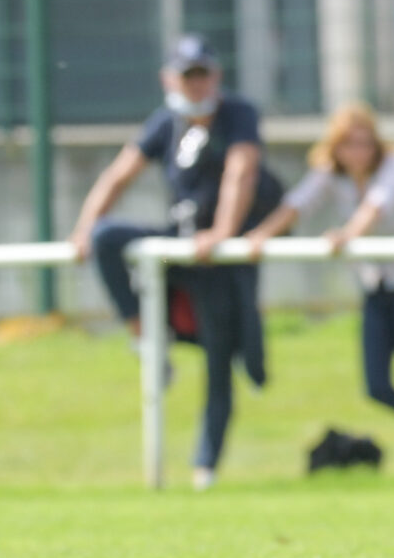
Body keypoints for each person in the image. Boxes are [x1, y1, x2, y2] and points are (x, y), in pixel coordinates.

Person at [66, 34, 284, 490]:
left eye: (202, 74)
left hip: (222, 258)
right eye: (187, 76)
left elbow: (241, 172)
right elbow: (119, 174)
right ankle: (145, 333)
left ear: (216, 76)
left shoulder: (237, 115)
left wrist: (223, 233)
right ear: (169, 79)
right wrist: (86, 227)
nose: (196, 84)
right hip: (181, 245)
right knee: (108, 237)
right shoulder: (165, 122)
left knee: (223, 359)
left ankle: (205, 467)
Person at [243, 104, 394, 470]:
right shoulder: (329, 174)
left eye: (365, 143)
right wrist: (259, 237)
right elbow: (297, 204)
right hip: (377, 286)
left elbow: (376, 206)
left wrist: (347, 235)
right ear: (335, 147)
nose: (358, 152)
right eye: (349, 144)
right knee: (377, 385)